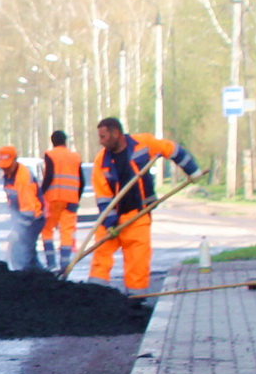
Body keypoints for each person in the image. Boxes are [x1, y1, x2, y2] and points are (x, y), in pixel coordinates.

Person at [87, 117, 199, 293]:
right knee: (101, 256)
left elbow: (171, 149)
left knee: (137, 261)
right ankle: (95, 293)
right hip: (111, 216)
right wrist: (110, 224)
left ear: (115, 133)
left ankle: (136, 300)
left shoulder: (143, 144)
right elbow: (103, 196)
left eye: (103, 137)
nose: (100, 142)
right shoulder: (101, 161)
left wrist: (192, 170)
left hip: (137, 215)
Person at [38, 129, 83, 272]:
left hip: (54, 199)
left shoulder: (50, 154)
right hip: (71, 200)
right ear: (65, 141)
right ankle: (65, 265)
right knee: (67, 232)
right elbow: (82, 180)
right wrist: (76, 197)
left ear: (53, 141)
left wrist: (41, 194)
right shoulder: (75, 156)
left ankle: (51, 264)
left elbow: (49, 176)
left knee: (47, 230)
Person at [0, 145, 43, 270]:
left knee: (21, 255)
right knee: (28, 254)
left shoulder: (22, 178)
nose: (5, 170)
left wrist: (17, 230)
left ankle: (27, 281)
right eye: (3, 167)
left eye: (7, 166)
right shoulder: (8, 176)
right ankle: (42, 279)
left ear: (15, 160)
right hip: (22, 219)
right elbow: (14, 204)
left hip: (33, 220)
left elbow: (28, 210)